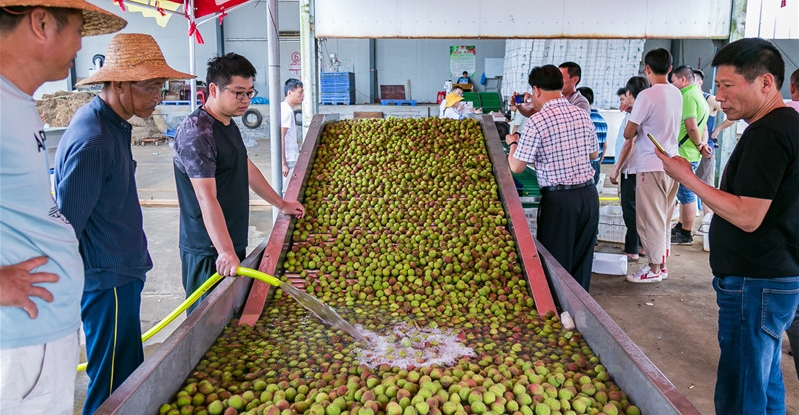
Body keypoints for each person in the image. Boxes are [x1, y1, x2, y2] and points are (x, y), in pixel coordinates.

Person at [657, 37, 799, 415]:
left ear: (766, 83)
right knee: (763, 379)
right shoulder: (785, 126)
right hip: (775, 275)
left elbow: (748, 215)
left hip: (757, 281)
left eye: (727, 86)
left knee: (741, 390)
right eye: (717, 86)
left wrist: (687, 177)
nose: (718, 98)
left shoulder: (769, 134)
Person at [53, 33, 192, 415]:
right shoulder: (94, 138)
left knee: (128, 376)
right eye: (150, 87)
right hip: (107, 278)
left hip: (121, 271)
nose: (158, 96)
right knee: (112, 386)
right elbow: (67, 225)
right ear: (117, 84)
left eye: (161, 86)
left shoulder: (110, 124)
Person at [0, 1, 124, 413]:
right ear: (40, 22)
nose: (82, 44)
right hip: (19, 343)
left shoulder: (19, 103)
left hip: (43, 335)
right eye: (77, 29)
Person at [173, 53, 305, 314]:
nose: (246, 100)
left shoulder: (228, 124)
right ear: (214, 89)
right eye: (238, 93)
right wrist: (224, 250)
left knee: (229, 317)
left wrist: (281, 204)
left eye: (249, 93)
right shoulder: (197, 132)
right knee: (207, 322)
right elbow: (205, 198)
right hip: (208, 249)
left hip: (232, 241)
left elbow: (245, 167)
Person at [506, 65, 599, 291]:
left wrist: (513, 142)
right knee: (581, 263)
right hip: (588, 195)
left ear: (536, 90)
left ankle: (560, 315)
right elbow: (594, 154)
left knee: (557, 266)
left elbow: (516, 167)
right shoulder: (581, 114)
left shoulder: (537, 122)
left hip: (560, 203)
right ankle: (581, 314)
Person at [623, 48, 682, 283]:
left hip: (650, 163)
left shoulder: (646, 96)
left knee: (650, 218)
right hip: (673, 162)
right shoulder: (676, 93)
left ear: (647, 69)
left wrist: (631, 114)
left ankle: (653, 268)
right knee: (665, 217)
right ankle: (662, 264)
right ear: (670, 69)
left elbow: (629, 133)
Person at [609, 77, 651, 262]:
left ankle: (632, 249)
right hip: (642, 169)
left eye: (623, 97)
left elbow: (629, 143)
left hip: (632, 170)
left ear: (630, 94)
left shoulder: (635, 115)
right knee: (640, 210)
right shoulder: (647, 110)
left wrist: (616, 168)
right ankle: (641, 246)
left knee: (631, 211)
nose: (622, 102)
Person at [669, 65, 710, 245]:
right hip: (691, 151)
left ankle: (686, 233)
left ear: (683, 80)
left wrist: (699, 144)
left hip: (686, 152)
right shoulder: (699, 95)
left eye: (674, 81)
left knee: (687, 196)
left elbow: (692, 126)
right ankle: (681, 226)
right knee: (684, 194)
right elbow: (703, 127)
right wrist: (701, 144)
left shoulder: (687, 96)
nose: (672, 85)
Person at [576, 86, 607, 184]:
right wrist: (598, 162)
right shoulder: (602, 120)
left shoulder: (583, 119)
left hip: (584, 166)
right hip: (596, 164)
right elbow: (605, 146)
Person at [281, 78, 304, 195]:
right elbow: (281, 138)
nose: (302, 95)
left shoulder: (284, 108)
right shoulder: (287, 112)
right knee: (288, 191)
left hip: (289, 157)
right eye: (300, 92)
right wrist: (283, 163)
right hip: (289, 159)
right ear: (289, 93)